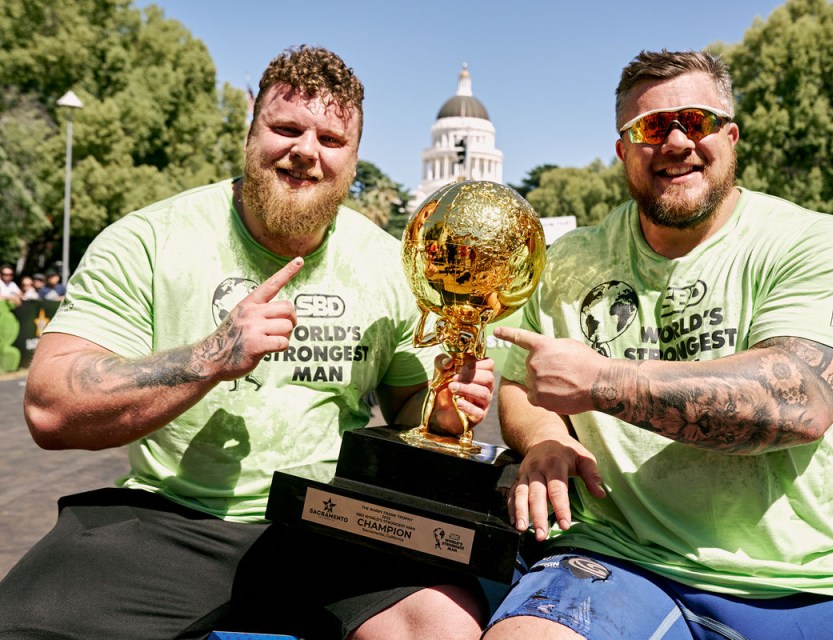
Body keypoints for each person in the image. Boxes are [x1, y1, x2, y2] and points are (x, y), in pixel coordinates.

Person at [0, 45, 494, 640]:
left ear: (355, 158)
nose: (306, 151)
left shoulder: (392, 263)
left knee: (445, 624)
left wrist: (440, 412)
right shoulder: (150, 238)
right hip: (174, 519)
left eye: (331, 140)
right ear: (250, 135)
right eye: (285, 128)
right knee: (23, 626)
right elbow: (50, 407)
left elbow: (410, 403)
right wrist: (209, 358)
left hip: (331, 518)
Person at [486, 50, 833, 640]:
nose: (674, 141)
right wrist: (542, 437)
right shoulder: (565, 261)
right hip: (612, 557)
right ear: (623, 150)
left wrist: (600, 381)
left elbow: (801, 404)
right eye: (648, 127)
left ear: (730, 136)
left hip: (796, 577)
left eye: (694, 121)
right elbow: (520, 378)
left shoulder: (815, 241)